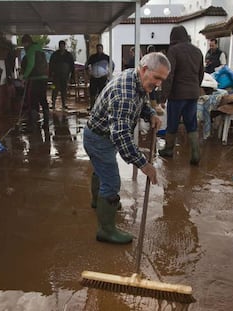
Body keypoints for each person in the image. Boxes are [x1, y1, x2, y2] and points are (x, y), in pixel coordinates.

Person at [83, 52, 170, 244]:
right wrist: (143, 165)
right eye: (157, 78)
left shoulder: (136, 78)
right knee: (112, 181)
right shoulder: (125, 93)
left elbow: (142, 101)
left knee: (102, 170)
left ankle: (99, 202)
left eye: (162, 80)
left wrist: (150, 114)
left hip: (101, 134)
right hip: (99, 139)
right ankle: (105, 230)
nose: (158, 84)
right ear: (144, 69)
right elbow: (121, 136)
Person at [159, 25, 204, 165]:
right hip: (193, 94)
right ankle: (195, 154)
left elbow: (169, 75)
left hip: (177, 95)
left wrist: (163, 96)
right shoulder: (197, 51)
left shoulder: (173, 51)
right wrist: (195, 88)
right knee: (191, 123)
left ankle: (168, 149)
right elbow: (201, 74)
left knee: (172, 123)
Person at [21, 34, 49, 132]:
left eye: (24, 44)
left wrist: (25, 77)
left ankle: (33, 125)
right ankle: (46, 124)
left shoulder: (31, 50)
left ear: (27, 42)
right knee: (43, 99)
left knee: (33, 100)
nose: (24, 46)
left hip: (35, 78)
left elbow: (31, 64)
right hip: (44, 78)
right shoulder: (40, 49)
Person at [85, 44, 113, 110]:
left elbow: (112, 65)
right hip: (94, 77)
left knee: (102, 92)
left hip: (102, 77)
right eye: (98, 48)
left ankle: (102, 107)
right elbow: (86, 65)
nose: (99, 50)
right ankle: (92, 106)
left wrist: (109, 73)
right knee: (92, 92)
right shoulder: (92, 57)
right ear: (96, 49)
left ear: (102, 49)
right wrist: (88, 73)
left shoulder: (106, 57)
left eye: (100, 48)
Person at [49, 40, 74, 110]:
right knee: (54, 89)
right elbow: (51, 65)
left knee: (64, 90)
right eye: (60, 46)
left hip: (65, 76)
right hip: (55, 76)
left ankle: (64, 104)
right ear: (59, 46)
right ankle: (53, 103)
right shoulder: (54, 54)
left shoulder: (68, 55)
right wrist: (50, 75)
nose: (62, 47)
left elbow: (72, 66)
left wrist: (72, 76)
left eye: (63, 46)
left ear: (64, 46)